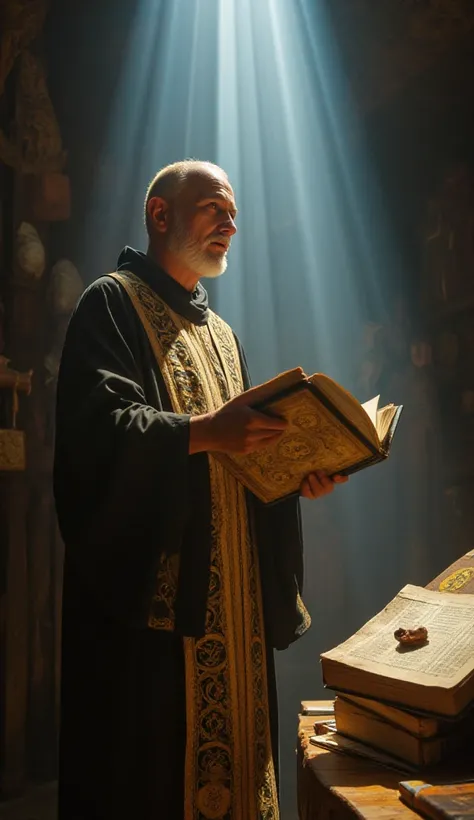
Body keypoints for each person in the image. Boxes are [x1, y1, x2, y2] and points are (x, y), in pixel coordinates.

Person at [54, 159, 347, 820]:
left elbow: (232, 466)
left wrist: (296, 475)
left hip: (233, 611)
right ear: (161, 215)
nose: (231, 224)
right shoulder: (110, 302)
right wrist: (209, 429)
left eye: (234, 213)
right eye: (215, 207)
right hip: (162, 621)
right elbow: (98, 434)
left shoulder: (224, 337)